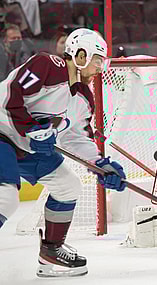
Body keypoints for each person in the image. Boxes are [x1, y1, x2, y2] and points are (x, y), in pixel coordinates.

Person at [0, 28, 127, 277]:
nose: (101, 68)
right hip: (2, 134)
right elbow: (10, 96)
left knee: (68, 186)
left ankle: (51, 251)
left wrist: (101, 164)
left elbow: (76, 137)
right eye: (98, 59)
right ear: (80, 55)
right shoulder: (45, 65)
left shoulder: (83, 97)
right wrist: (32, 130)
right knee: (6, 198)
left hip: (27, 148)